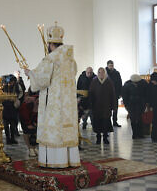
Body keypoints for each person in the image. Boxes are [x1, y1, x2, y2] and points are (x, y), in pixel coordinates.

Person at [24, 22, 80, 168]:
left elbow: (42, 81)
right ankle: (70, 160)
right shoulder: (71, 60)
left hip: (54, 104)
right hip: (67, 105)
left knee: (54, 131)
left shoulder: (50, 59)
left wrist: (30, 73)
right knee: (66, 131)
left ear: (50, 44)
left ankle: (56, 161)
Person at [89, 67, 116, 144]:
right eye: (99, 72)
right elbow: (91, 93)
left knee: (105, 122)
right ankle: (98, 137)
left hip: (106, 106)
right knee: (97, 122)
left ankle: (105, 137)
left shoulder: (109, 82)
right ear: (98, 73)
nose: (101, 74)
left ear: (105, 73)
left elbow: (113, 94)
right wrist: (90, 104)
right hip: (96, 106)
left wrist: (113, 106)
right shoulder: (94, 81)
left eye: (102, 72)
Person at [122, 74, 148, 139]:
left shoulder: (144, 83)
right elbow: (125, 96)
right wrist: (126, 105)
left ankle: (140, 134)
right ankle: (135, 134)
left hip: (140, 104)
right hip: (131, 104)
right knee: (133, 119)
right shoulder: (127, 84)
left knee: (140, 119)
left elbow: (146, 94)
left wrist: (146, 103)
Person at [19, 88, 39, 157]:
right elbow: (24, 114)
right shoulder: (28, 102)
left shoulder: (39, 101)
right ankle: (30, 148)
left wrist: (35, 122)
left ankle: (34, 147)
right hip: (25, 118)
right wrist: (28, 123)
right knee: (27, 131)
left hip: (32, 117)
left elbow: (37, 113)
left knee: (36, 131)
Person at [106, 60, 122, 127]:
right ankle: (108, 122)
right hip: (107, 94)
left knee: (115, 109)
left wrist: (120, 93)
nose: (111, 67)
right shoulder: (104, 72)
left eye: (112, 65)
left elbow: (120, 83)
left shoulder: (117, 73)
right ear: (107, 65)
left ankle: (115, 122)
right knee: (108, 109)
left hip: (115, 93)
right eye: (110, 65)